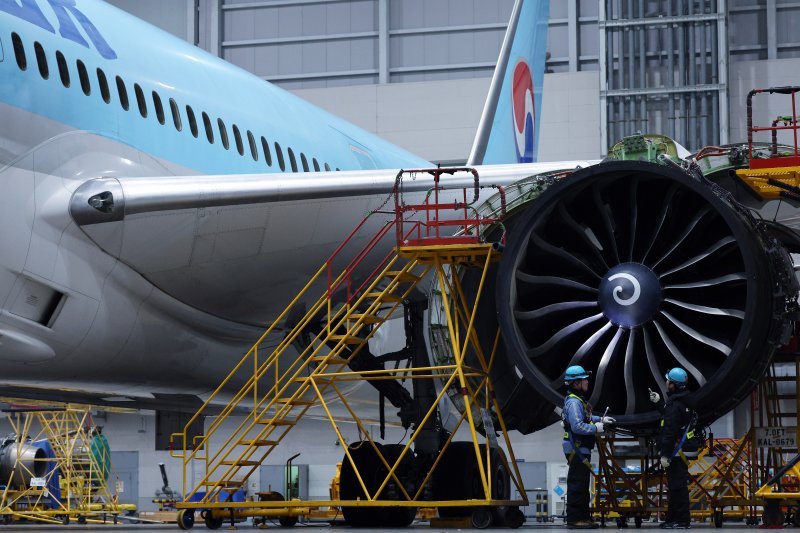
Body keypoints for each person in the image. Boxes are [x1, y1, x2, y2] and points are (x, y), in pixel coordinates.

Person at [562, 365, 615, 529]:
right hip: (576, 448)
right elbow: (578, 426)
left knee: (582, 485)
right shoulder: (573, 402)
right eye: (584, 379)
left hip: (580, 449)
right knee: (578, 485)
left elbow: (586, 417)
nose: (587, 382)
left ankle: (583, 517)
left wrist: (601, 420)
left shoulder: (578, 401)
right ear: (576, 383)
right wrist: (596, 428)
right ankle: (575, 519)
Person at [649, 367, 694, 529]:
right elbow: (671, 415)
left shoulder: (676, 405)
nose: (666, 382)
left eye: (668, 380)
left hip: (675, 452)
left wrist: (664, 454)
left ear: (673, 385)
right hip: (680, 450)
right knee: (676, 486)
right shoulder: (682, 401)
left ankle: (682, 520)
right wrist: (659, 403)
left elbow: (669, 430)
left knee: (678, 487)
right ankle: (673, 519)